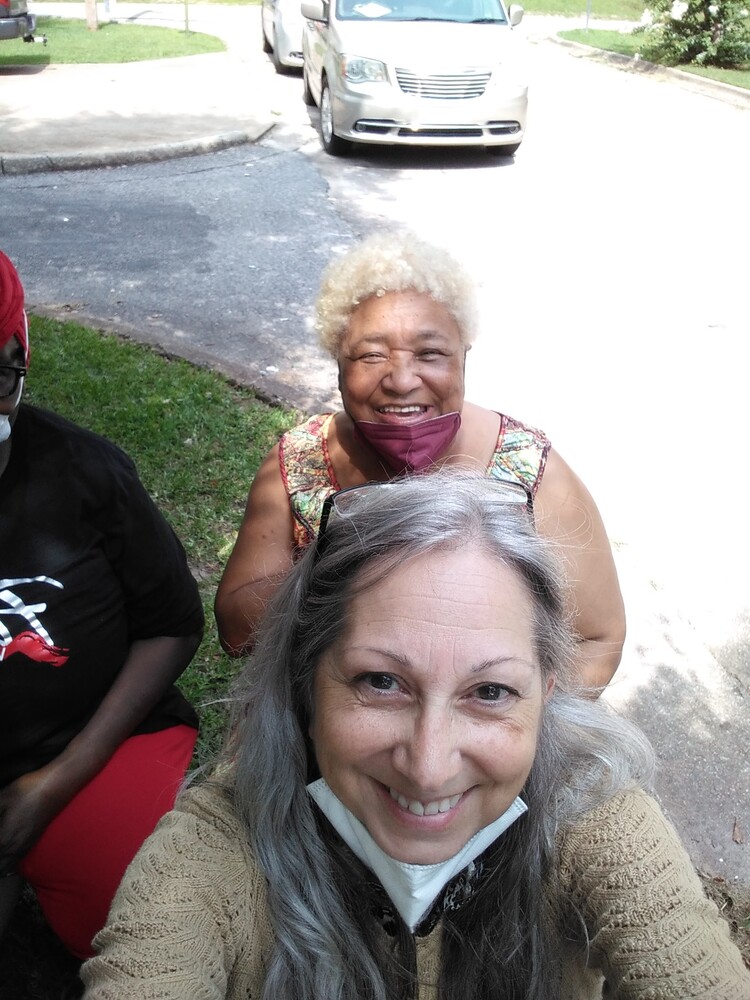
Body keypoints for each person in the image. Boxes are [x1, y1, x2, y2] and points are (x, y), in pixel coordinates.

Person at [82, 471, 749, 999]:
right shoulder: (222, 842)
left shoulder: (591, 819)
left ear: (546, 696)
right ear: (305, 682)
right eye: (380, 681)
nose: (429, 767)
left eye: (490, 692)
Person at [214, 231, 625, 690]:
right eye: (371, 355)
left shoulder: (529, 471)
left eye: (430, 354)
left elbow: (598, 638)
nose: (402, 380)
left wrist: (511, 731)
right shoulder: (300, 463)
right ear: (338, 360)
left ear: (463, 356)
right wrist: (342, 569)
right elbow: (235, 633)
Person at [0, 250, 205, 960]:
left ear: (22, 360)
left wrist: (56, 783)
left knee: (146, 927)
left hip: (96, 742)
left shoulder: (85, 473)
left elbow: (174, 626)